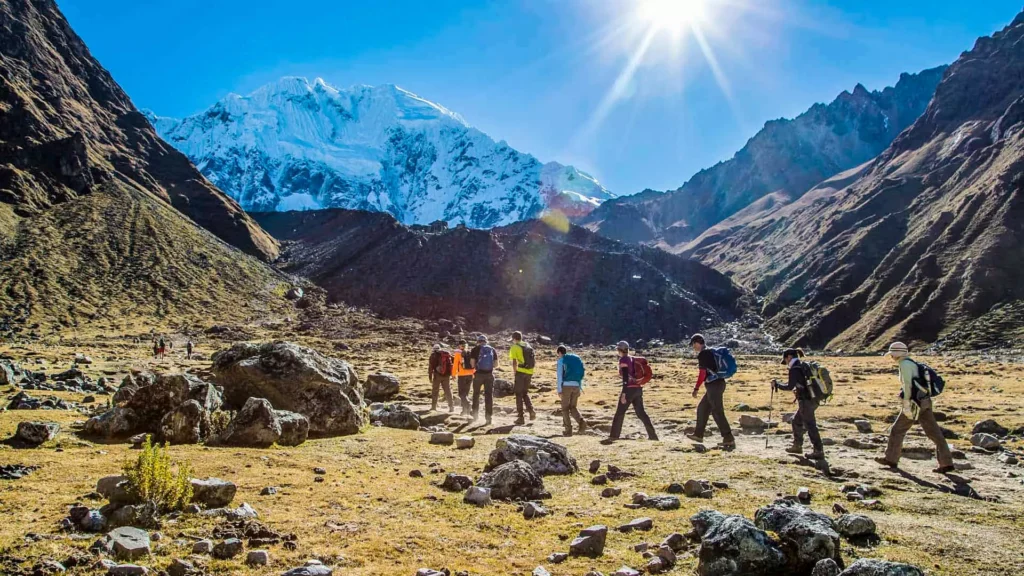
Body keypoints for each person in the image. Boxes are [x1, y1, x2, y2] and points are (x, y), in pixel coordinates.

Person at [875, 342, 955, 474]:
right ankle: (946, 463)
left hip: (914, 402)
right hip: (925, 401)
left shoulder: (904, 365)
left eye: (892, 354)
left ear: (896, 354)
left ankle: (891, 459)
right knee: (934, 433)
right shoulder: (911, 363)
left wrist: (906, 402)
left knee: (897, 429)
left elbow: (908, 385)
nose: (891, 357)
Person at [685, 334, 735, 449]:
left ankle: (728, 438)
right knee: (702, 408)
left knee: (717, 411)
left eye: (693, 344)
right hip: (717, 384)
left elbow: (702, 373)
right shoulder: (710, 352)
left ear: (698, 342)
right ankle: (698, 435)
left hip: (714, 385)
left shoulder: (703, 354)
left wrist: (696, 388)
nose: (693, 347)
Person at [773, 348, 825, 459]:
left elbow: (789, 386)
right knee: (796, 421)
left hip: (806, 401)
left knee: (810, 425)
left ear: (789, 357)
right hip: (812, 399)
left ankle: (818, 451)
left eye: (786, 360)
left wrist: (777, 385)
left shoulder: (795, 369)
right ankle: (797, 446)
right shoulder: (802, 366)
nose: (786, 362)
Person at [605, 341, 658, 443]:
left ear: (619, 350)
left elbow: (625, 377)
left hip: (629, 389)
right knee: (641, 413)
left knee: (620, 413)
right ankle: (653, 436)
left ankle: (614, 436)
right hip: (638, 389)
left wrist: (624, 393)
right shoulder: (632, 358)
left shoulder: (623, 359)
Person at [556, 345, 587, 436]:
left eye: (558, 354)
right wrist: (580, 387)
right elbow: (581, 375)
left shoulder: (561, 360)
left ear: (560, 353)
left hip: (566, 386)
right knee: (573, 407)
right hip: (576, 385)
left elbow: (559, 376)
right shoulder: (576, 359)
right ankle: (582, 422)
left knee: (565, 408)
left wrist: (559, 390)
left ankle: (568, 430)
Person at [509, 331, 537, 425]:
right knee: (525, 393)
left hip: (520, 372)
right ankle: (531, 411)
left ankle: (521, 417)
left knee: (518, 394)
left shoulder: (515, 347)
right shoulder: (527, 345)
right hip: (529, 372)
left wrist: (515, 372)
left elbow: (514, 361)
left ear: (514, 339)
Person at [469, 334, 498, 424]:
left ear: (478, 341)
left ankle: (475, 416)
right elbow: (496, 364)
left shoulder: (475, 349)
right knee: (489, 396)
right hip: (489, 375)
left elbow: (472, 364)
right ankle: (489, 418)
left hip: (478, 375)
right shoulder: (492, 349)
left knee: (476, 394)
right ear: (486, 341)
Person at [427, 344, 455, 412]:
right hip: (446, 375)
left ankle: (433, 407)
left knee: (435, 391)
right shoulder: (446, 354)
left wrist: (430, 377)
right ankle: (451, 407)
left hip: (437, 375)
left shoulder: (433, 355)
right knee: (448, 391)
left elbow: (431, 367)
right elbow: (453, 361)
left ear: (433, 349)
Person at [452, 340, 475, 415]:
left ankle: (468, 405)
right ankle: (464, 411)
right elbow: (474, 363)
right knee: (466, 394)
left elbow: (455, 364)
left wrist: (453, 374)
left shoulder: (458, 353)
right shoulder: (470, 353)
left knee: (461, 394)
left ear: (459, 345)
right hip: (470, 375)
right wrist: (474, 373)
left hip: (462, 375)